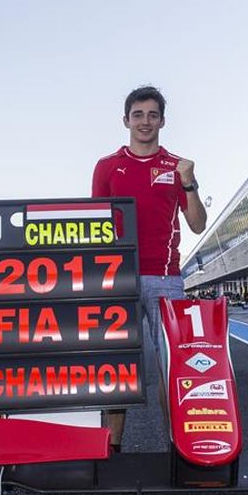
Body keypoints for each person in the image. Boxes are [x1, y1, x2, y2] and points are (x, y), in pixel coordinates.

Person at [91, 85, 207, 451]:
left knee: (172, 369)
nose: (145, 122)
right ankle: (111, 449)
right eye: (138, 115)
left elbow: (198, 224)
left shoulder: (176, 167)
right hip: (118, 277)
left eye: (152, 115)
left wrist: (188, 182)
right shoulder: (107, 167)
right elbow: (94, 223)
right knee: (116, 369)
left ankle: (178, 447)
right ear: (126, 120)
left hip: (166, 279)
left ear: (162, 121)